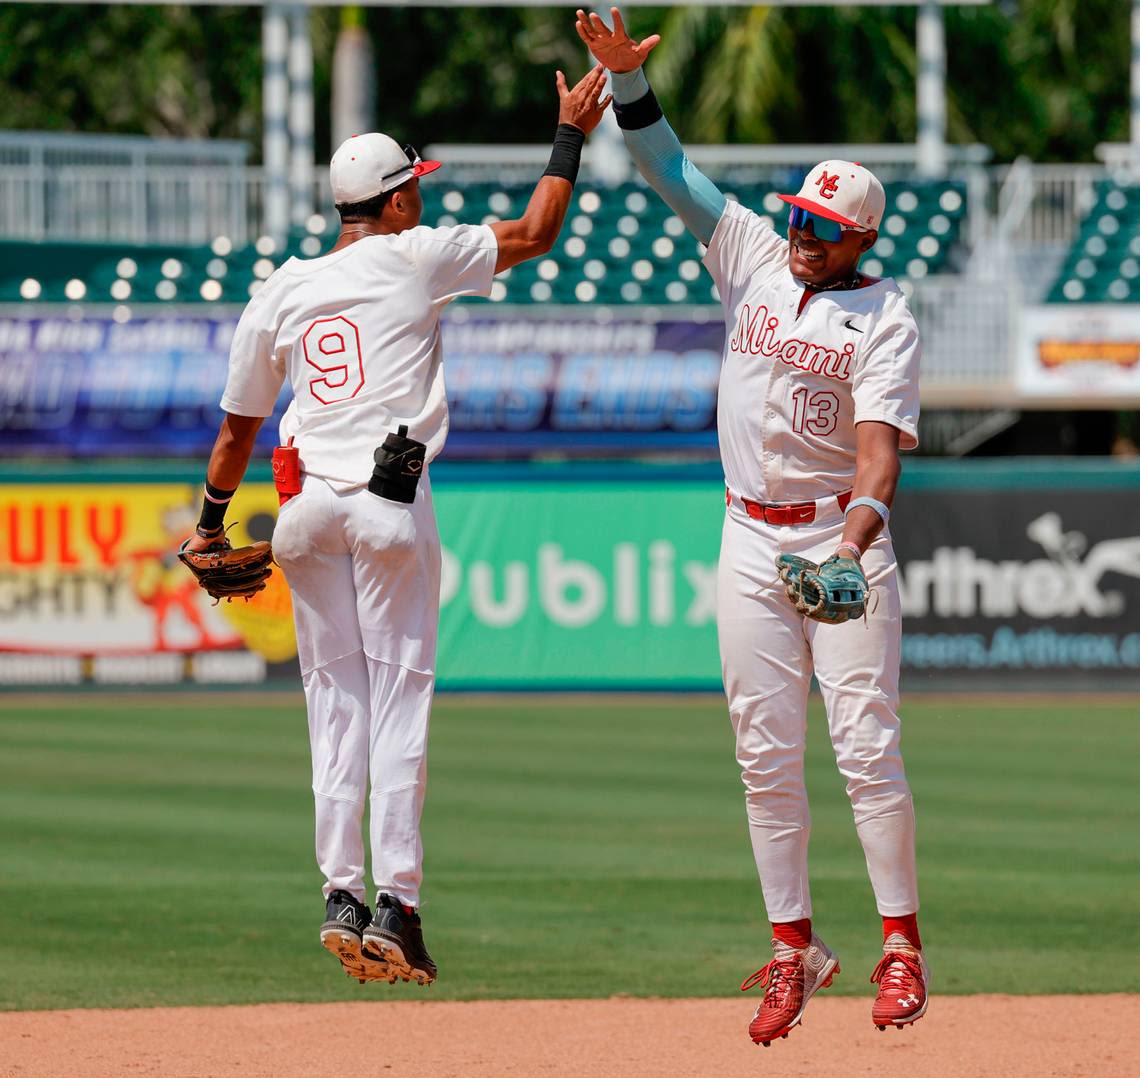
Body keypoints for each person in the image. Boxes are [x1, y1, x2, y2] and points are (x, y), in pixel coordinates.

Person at [182, 65, 612, 986]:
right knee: (401, 697)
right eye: (418, 183)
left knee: (334, 705)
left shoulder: (282, 288)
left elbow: (233, 431)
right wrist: (570, 132)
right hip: (384, 502)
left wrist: (209, 530)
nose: (425, 192)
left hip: (300, 513)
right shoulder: (417, 257)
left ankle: (340, 891)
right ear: (396, 195)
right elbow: (538, 231)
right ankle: (397, 905)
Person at [576, 8, 928, 1046]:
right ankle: (794, 949)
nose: (802, 234)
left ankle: (901, 945)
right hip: (746, 535)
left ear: (859, 237)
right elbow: (669, 169)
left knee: (866, 746)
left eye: (821, 226)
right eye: (798, 217)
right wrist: (629, 85)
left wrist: (856, 546)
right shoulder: (756, 258)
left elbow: (879, 455)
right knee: (763, 752)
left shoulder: (888, 316)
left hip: (838, 535)